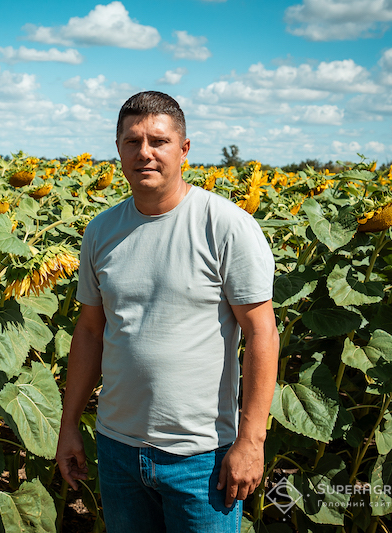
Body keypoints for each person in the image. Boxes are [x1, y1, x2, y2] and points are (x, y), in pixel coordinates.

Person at [55, 91, 279, 532]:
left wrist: (252, 440)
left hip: (202, 456)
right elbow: (89, 333)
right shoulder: (102, 231)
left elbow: (262, 334)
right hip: (118, 448)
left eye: (158, 141)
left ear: (184, 149)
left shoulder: (225, 225)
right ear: (117, 148)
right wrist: (68, 425)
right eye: (132, 142)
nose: (145, 153)